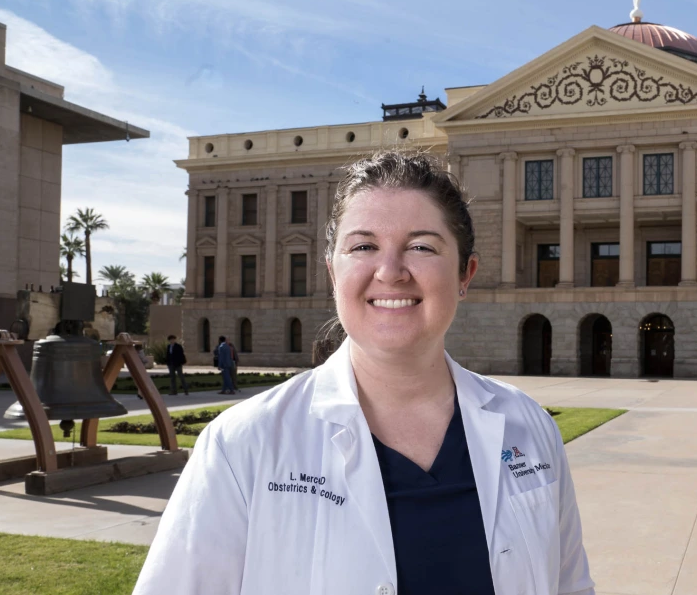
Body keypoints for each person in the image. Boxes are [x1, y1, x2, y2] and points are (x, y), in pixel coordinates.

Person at [134, 151, 595, 595]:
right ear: (333, 273)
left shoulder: (530, 429)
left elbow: (570, 587)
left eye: (421, 246)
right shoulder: (242, 445)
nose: (391, 272)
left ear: (465, 274)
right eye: (364, 246)